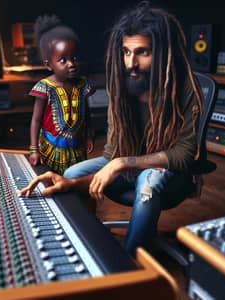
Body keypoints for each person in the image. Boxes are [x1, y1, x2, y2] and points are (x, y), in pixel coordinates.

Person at [19, 1, 203, 256]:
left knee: (149, 182)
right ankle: (82, 246)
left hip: (170, 171)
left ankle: (128, 268)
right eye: (126, 52)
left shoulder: (183, 87)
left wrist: (121, 164)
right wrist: (72, 183)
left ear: (162, 53)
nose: (131, 63)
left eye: (142, 52)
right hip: (129, 167)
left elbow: (184, 154)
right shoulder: (123, 83)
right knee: (70, 173)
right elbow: (113, 152)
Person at [28, 15, 95, 175]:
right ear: (49, 65)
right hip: (51, 149)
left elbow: (86, 113)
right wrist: (33, 149)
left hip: (77, 148)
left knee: (75, 181)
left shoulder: (83, 84)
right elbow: (36, 120)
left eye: (74, 58)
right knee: (52, 182)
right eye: (63, 60)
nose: (71, 63)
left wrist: (89, 135)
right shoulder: (45, 87)